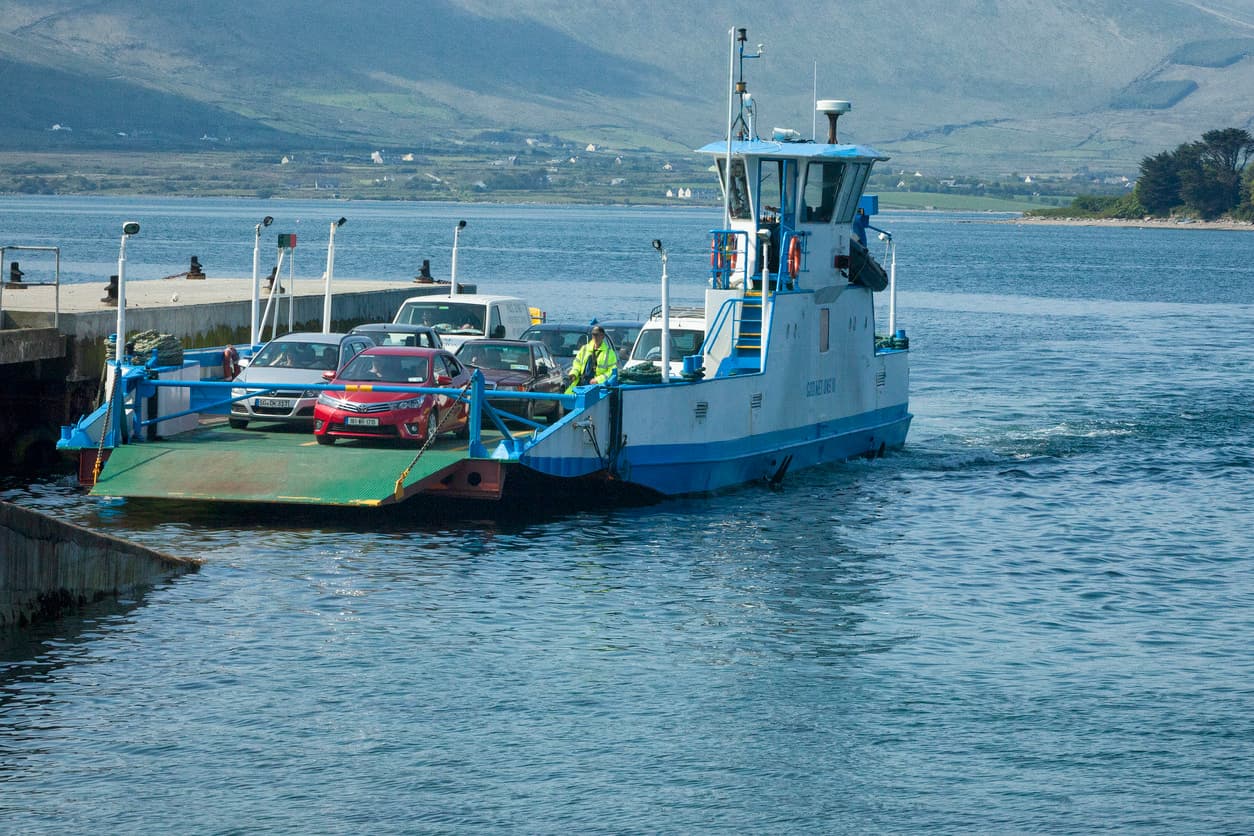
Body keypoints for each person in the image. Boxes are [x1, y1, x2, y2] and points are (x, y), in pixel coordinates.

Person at [565, 325, 617, 394]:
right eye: (593, 334)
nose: (595, 337)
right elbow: (577, 364)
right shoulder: (584, 349)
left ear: (602, 336)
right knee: (568, 397)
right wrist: (573, 374)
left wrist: (597, 380)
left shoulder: (609, 353)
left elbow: (611, 372)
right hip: (581, 384)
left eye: (597, 335)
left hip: (597, 387)